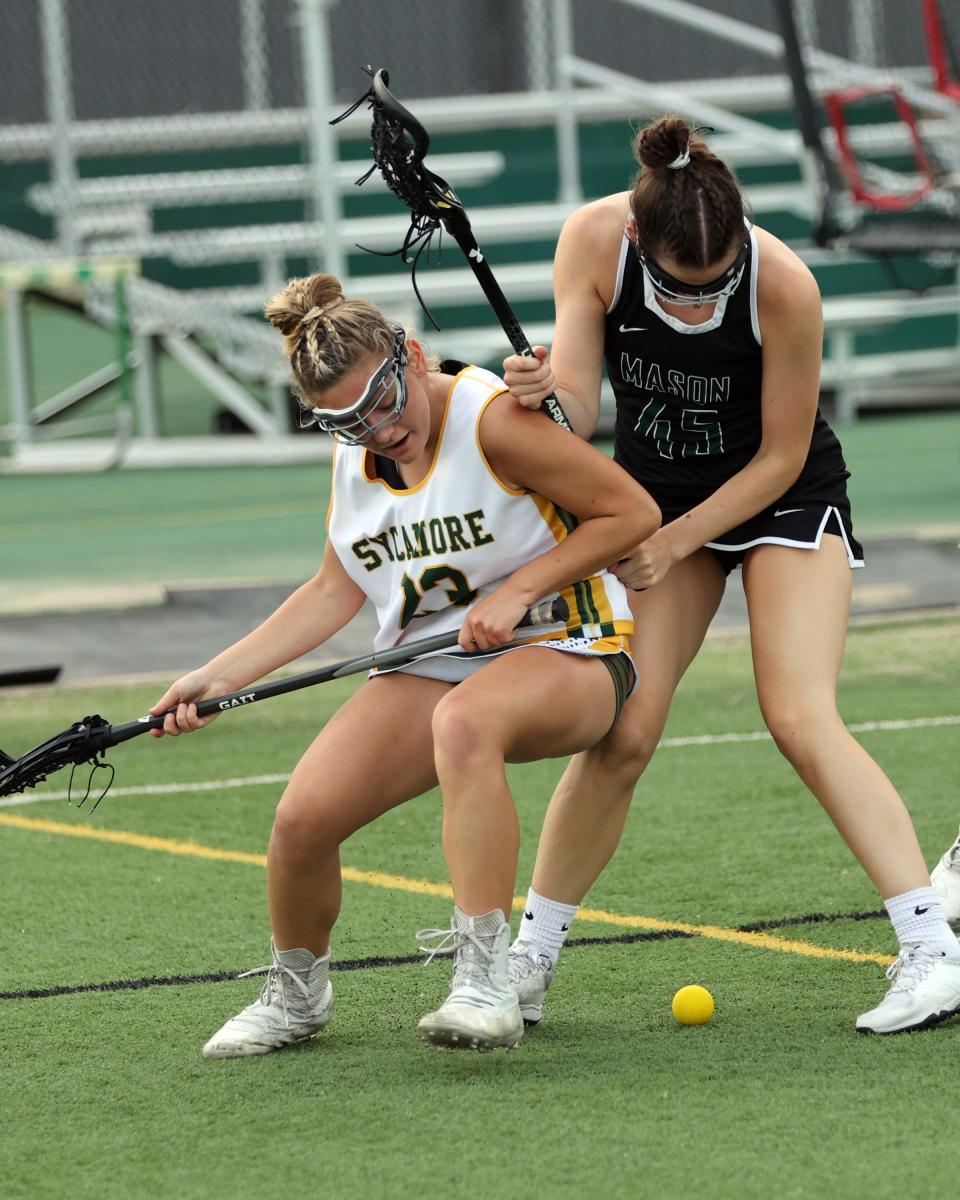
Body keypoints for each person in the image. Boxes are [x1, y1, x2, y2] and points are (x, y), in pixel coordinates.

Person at [501, 114, 960, 1035]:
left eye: (717, 287)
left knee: (797, 712)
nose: (700, 304)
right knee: (623, 731)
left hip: (780, 498)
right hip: (654, 500)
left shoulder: (785, 285)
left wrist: (676, 543)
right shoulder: (594, 241)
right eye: (681, 289)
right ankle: (527, 964)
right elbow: (582, 405)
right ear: (638, 240)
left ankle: (932, 951)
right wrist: (543, 394)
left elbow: (782, 456)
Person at [148, 273, 659, 1057]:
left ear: (411, 356)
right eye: (348, 421)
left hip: (571, 647)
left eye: (385, 403)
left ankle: (487, 981)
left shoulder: (491, 422)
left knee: (466, 722)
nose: (379, 430)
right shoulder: (357, 456)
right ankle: (297, 995)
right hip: (436, 664)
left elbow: (631, 512)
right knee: (301, 821)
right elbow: (332, 590)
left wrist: (521, 586)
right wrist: (218, 677)